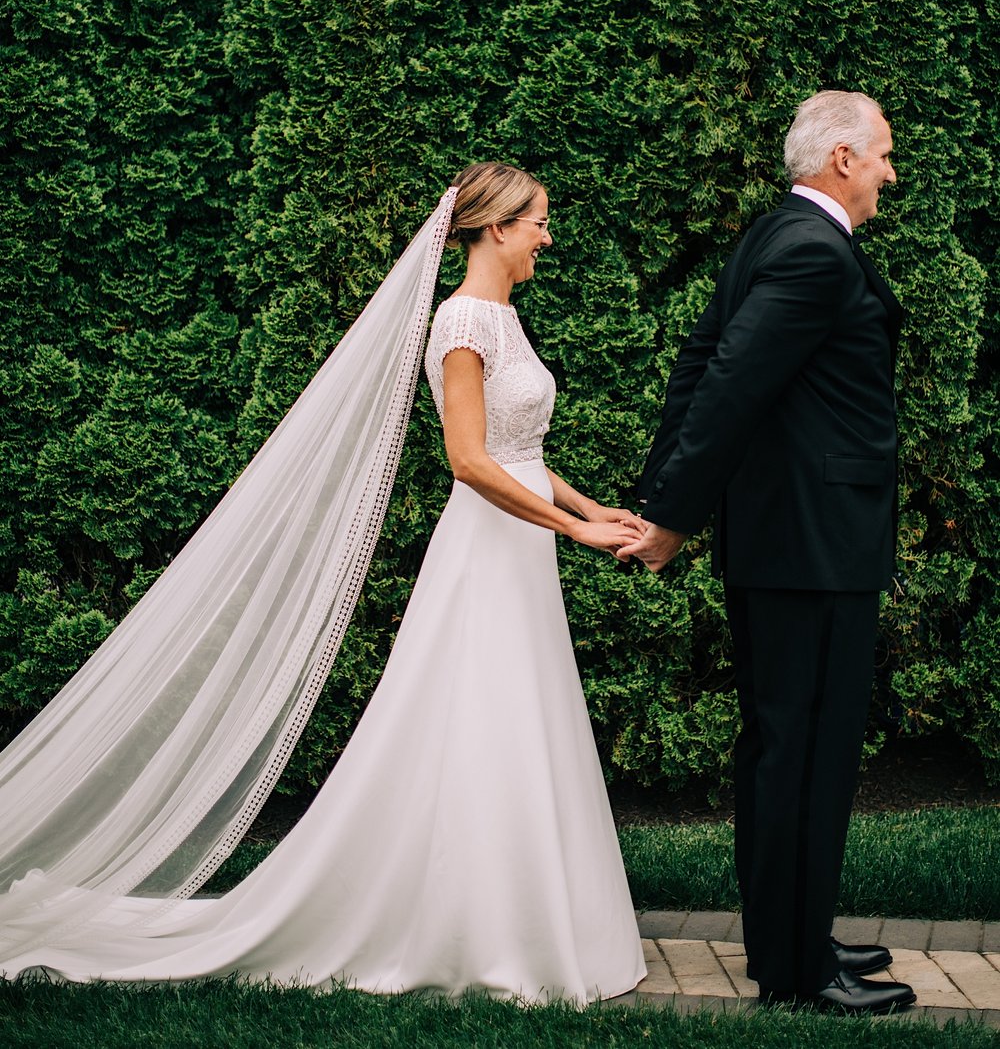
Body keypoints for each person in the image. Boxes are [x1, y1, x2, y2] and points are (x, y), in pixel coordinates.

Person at [0, 162, 646, 1005]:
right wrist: (575, 529)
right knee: (480, 713)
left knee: (519, 715)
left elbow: (522, 453)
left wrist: (600, 512)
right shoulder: (460, 323)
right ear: (495, 228)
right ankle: (478, 924)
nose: (547, 238)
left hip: (524, 547)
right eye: (538, 225)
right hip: (489, 549)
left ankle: (518, 912)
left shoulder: (504, 318)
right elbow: (468, 460)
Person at [620, 91, 916, 1015]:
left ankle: (789, 941)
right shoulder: (813, 252)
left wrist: (664, 492)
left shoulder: (769, 237)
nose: (889, 174)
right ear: (839, 158)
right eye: (881, 158)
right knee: (807, 753)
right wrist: (669, 515)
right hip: (812, 548)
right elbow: (730, 385)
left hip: (788, 542)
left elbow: (700, 366)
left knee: (781, 746)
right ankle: (797, 971)